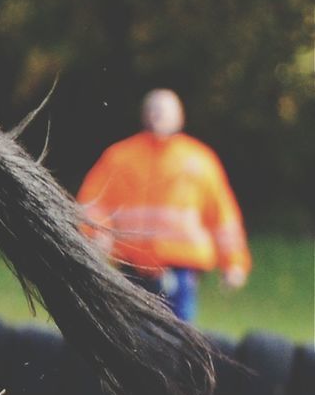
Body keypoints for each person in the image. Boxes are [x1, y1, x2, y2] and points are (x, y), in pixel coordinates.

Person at [78, 88, 250, 323]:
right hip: (132, 268)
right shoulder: (119, 157)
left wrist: (234, 262)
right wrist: (96, 235)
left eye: (166, 110)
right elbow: (92, 203)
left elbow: (223, 216)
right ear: (144, 114)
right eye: (154, 109)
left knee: (179, 337)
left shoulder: (200, 160)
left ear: (180, 116)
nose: (159, 116)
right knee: (131, 334)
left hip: (181, 271)